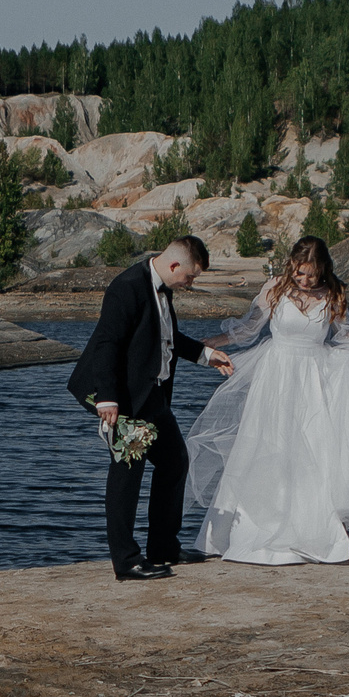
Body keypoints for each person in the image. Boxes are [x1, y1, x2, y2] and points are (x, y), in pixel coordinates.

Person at [185, 235, 349, 564]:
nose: (304, 279)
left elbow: (346, 334)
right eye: (299, 272)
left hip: (314, 379)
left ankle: (308, 531)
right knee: (267, 447)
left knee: (312, 450)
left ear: (323, 268)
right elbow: (249, 327)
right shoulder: (277, 287)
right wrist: (210, 344)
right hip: (275, 377)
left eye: (310, 274)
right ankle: (251, 533)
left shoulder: (334, 294)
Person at [66, 235, 233, 582]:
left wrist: (206, 355)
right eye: (190, 276)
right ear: (174, 266)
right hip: (121, 398)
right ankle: (126, 561)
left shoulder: (163, 288)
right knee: (128, 473)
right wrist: (107, 399)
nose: (190, 283)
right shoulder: (125, 287)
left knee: (175, 462)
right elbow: (107, 344)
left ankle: (163, 547)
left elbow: (167, 339)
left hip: (150, 395)